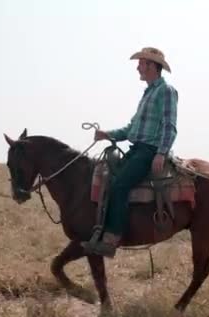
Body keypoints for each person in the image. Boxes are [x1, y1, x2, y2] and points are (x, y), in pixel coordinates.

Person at [81, 47, 179, 258]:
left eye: (141, 63)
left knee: (120, 185)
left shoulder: (166, 91)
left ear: (152, 66)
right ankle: (101, 230)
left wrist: (161, 153)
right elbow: (131, 130)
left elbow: (169, 126)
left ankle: (112, 238)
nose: (137, 67)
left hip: (149, 151)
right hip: (136, 149)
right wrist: (107, 134)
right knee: (109, 179)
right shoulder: (148, 93)